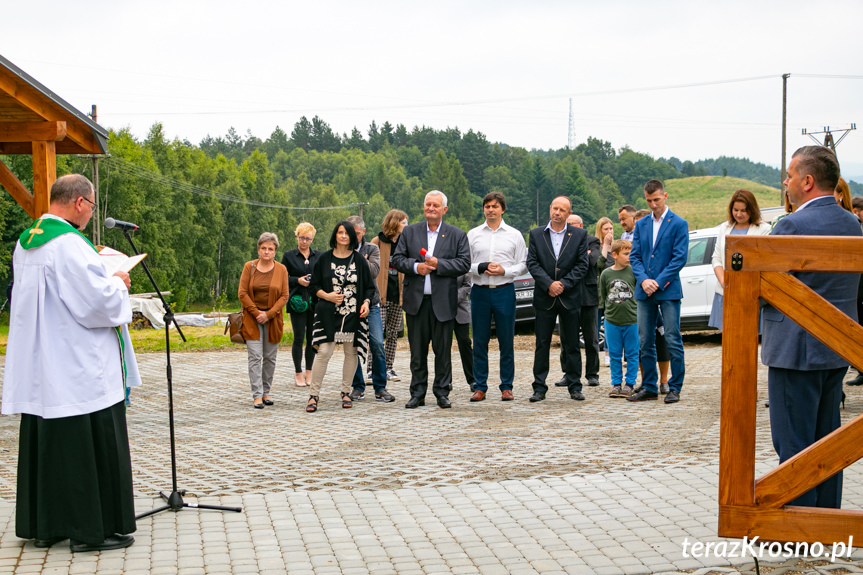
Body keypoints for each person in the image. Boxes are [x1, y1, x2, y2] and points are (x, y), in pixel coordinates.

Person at [1, 174, 140, 551]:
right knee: (86, 447)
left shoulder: (26, 242)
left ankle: (46, 527)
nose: (91, 215)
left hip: (45, 367)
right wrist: (118, 281)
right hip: (79, 369)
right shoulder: (68, 245)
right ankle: (88, 530)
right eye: (92, 207)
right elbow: (95, 303)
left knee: (50, 446)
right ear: (79, 203)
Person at [763, 145, 862, 508]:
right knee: (828, 443)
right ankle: (826, 520)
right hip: (837, 349)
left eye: (789, 175)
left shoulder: (792, 224)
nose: (784, 181)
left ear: (807, 181)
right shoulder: (851, 222)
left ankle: (798, 528)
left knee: (794, 445)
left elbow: (763, 286)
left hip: (795, 352)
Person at [392, 190, 471, 409]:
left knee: (442, 351)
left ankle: (442, 392)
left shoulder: (457, 235)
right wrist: (417, 267)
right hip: (416, 303)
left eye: (435, 205)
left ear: (444, 209)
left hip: (444, 303)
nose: (431, 208)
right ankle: (417, 393)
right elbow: (397, 259)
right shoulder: (410, 232)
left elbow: (464, 264)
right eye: (428, 204)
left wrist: (439, 264)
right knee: (417, 352)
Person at [628, 179, 688, 403]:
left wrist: (658, 282)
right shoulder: (641, 224)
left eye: (656, 200)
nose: (653, 204)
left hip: (668, 290)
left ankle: (675, 387)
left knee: (672, 337)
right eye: (648, 200)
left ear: (665, 196)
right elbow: (635, 256)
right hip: (644, 291)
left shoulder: (679, 224)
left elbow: (679, 258)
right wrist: (644, 281)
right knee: (644, 340)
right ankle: (650, 386)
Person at [526, 196, 589, 402]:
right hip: (545, 297)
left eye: (562, 210)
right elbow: (532, 263)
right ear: (550, 209)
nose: (557, 213)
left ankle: (575, 386)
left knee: (571, 343)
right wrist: (548, 284)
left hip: (569, 296)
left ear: (568, 213)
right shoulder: (536, 234)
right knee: (542, 343)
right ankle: (539, 387)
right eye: (555, 208)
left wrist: (563, 284)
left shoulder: (579, 234)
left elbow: (582, 265)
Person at [307, 222, 374, 412]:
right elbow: (313, 286)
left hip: (352, 315)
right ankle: (313, 395)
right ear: (335, 235)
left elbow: (369, 287)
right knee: (324, 352)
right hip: (328, 313)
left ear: (353, 236)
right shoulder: (323, 259)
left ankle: (346, 392)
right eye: (340, 232)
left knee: (350, 353)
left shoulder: (359, 259)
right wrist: (327, 296)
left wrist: (366, 303)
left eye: (347, 233)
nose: (343, 236)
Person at [467, 191, 527, 401]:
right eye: (487, 206)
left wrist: (505, 271)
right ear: (483, 209)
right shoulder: (473, 234)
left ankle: (506, 386)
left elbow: (523, 264)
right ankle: (480, 386)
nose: (490, 210)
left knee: (506, 340)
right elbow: (465, 264)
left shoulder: (514, 234)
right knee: (480, 340)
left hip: (504, 290)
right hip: (480, 292)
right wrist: (480, 267)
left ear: (503, 209)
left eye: (494, 206)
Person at [239, 232, 289, 409]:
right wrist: (256, 312)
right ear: (258, 249)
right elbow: (242, 293)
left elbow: (284, 296)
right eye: (263, 248)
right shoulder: (249, 267)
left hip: (273, 319)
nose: (267, 252)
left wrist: (268, 314)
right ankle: (257, 395)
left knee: (269, 358)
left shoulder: (281, 269)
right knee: (255, 356)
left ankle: (266, 392)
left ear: (275, 251)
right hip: (252, 319)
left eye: (270, 249)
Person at [348, 215, 395, 403]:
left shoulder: (372, 248)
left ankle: (380, 387)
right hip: (349, 306)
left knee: (377, 344)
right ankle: (357, 387)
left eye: (356, 234)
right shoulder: (338, 251)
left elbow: (374, 271)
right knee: (352, 347)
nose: (352, 237)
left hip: (372, 303)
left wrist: (357, 258)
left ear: (363, 232)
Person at [708, 190, 771, 331]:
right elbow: (716, 258)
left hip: (751, 294)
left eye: (743, 210)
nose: (739, 214)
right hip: (726, 292)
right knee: (730, 338)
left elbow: (763, 261)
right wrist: (725, 282)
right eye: (735, 210)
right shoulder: (724, 228)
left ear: (752, 210)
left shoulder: (764, 229)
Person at [554, 214, 600, 387]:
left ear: (580, 225)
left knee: (591, 338)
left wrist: (575, 258)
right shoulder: (562, 241)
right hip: (567, 295)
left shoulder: (592, 240)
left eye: (573, 224)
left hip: (588, 296)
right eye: (568, 224)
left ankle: (592, 374)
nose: (570, 228)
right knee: (567, 338)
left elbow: (591, 261)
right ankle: (568, 373)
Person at [281, 222, 321, 387]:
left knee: (313, 338)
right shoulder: (289, 256)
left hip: (314, 301)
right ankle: (298, 372)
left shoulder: (319, 255)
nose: (304, 241)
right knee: (298, 338)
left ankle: (309, 371)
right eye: (301, 237)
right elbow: (282, 278)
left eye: (308, 238)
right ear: (297, 236)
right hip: (297, 301)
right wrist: (297, 280)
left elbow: (323, 276)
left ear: (312, 239)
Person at [371, 209, 409, 382]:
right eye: (404, 222)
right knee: (378, 334)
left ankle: (389, 368)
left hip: (398, 295)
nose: (406, 225)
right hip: (380, 295)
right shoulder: (377, 242)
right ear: (395, 222)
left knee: (393, 332)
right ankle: (372, 369)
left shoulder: (405, 242)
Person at [600, 240, 639, 398]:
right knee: (614, 354)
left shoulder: (633, 271)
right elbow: (604, 295)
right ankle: (616, 384)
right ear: (614, 255)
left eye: (630, 253)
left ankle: (630, 384)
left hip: (632, 320)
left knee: (632, 354)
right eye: (626, 253)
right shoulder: (606, 274)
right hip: (612, 321)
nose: (629, 257)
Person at [596, 216, 616, 368]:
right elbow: (599, 264)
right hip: (598, 294)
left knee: (609, 325)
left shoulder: (616, 247)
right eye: (606, 229)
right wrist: (605, 246)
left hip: (612, 293)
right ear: (600, 231)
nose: (609, 231)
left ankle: (609, 354)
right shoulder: (596, 246)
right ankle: (594, 355)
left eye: (611, 228)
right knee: (594, 326)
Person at [454, 273, 477, 391]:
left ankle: (472, 379)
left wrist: (452, 297)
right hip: (441, 309)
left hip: (460, 309)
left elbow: (467, 285)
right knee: (442, 345)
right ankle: (445, 381)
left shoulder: (462, 262)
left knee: (465, 342)